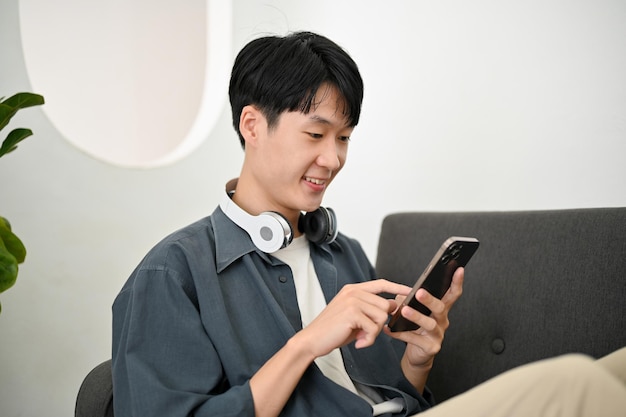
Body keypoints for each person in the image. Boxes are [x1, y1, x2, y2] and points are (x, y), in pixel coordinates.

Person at [112, 31, 626, 417]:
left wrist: (418, 362)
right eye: (316, 134)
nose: (332, 159)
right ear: (251, 125)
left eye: (344, 139)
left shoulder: (343, 253)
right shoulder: (173, 273)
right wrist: (306, 343)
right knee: (578, 382)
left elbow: (382, 395)